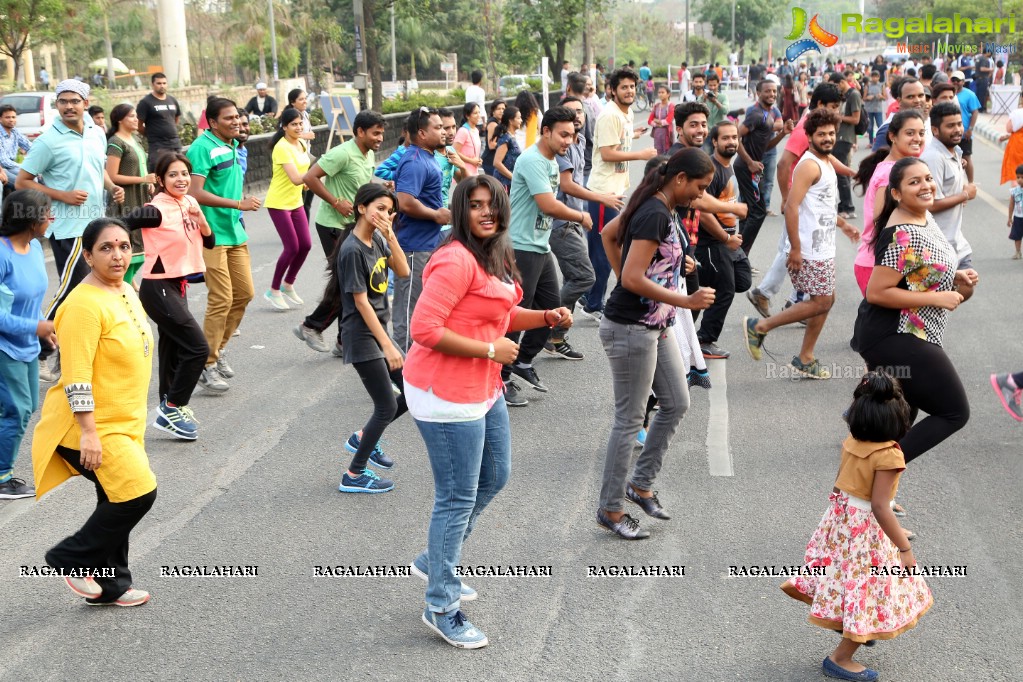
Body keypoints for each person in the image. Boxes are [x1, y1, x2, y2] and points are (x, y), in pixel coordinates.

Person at [403, 174, 573, 648]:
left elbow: (498, 316)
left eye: (493, 205)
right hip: (445, 391)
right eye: (475, 205)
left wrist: (544, 316)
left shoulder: (495, 254)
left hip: (483, 384)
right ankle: (440, 603)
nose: (485, 213)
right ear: (462, 211)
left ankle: (435, 558)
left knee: (495, 475)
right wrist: (488, 350)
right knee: (456, 498)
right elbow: (423, 328)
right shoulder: (454, 260)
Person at [31, 218, 158, 607]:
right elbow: (77, 376)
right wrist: (89, 432)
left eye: (123, 245)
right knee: (137, 494)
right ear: (87, 255)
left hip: (124, 421)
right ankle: (70, 557)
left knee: (114, 496)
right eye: (106, 248)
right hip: (86, 425)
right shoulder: (83, 305)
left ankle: (112, 586)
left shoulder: (123, 289)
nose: (117, 254)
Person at [781, 370, 932, 682]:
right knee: (871, 589)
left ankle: (850, 624)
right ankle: (840, 657)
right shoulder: (889, 454)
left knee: (847, 580)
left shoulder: (852, 441)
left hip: (843, 520)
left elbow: (841, 485)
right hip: (867, 534)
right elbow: (880, 506)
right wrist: (904, 547)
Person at [596, 148, 715, 540]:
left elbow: (609, 235)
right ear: (679, 178)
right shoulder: (654, 213)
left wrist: (645, 285)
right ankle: (611, 510)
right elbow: (631, 275)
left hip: (653, 324)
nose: (699, 195)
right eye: (698, 187)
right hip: (630, 328)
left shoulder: (658, 206)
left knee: (677, 402)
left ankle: (640, 485)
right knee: (629, 420)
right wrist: (684, 300)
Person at [851, 157, 975, 466]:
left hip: (909, 332)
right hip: (895, 333)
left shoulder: (923, 216)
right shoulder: (903, 232)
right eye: (914, 182)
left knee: (897, 422)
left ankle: (869, 492)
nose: (926, 186)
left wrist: (952, 275)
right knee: (954, 411)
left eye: (928, 178)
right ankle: (872, 475)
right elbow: (877, 292)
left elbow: (917, 269)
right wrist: (937, 298)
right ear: (896, 193)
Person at [16, 80, 125, 383]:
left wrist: (113, 186)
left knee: (91, 290)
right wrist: (61, 195)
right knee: (68, 292)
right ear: (57, 105)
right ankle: (38, 350)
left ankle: (74, 353)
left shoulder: (96, 132)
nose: (68, 106)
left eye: (74, 101)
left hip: (95, 223)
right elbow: (23, 181)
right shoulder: (48, 141)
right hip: (67, 228)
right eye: (62, 101)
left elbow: (97, 169)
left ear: (85, 103)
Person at [743, 110, 860, 379]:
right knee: (821, 301)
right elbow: (792, 207)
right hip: (809, 249)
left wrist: (843, 225)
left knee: (825, 300)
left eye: (831, 133)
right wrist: (795, 249)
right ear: (808, 137)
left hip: (823, 246)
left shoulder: (826, 160)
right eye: (821, 134)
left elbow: (822, 206)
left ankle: (806, 357)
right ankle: (760, 326)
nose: (828, 138)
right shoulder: (809, 165)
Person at [499, 106, 593, 405]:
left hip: (539, 246)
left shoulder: (552, 162)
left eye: (573, 135)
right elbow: (548, 205)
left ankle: (523, 361)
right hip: (520, 247)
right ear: (546, 131)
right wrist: (580, 217)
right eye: (563, 134)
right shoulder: (531, 160)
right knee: (517, 317)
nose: (569, 140)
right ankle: (500, 378)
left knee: (553, 310)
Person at [337, 184, 410, 493]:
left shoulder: (378, 239)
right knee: (385, 406)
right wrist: (388, 346)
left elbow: (404, 270)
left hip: (376, 332)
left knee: (411, 394)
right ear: (361, 208)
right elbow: (361, 302)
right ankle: (354, 475)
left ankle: (364, 437)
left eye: (389, 210)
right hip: (363, 336)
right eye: (379, 208)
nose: (385, 214)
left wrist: (390, 234)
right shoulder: (352, 249)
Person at [186, 97, 261, 392]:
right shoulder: (201, 148)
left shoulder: (231, 144)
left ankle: (217, 347)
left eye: (237, 118)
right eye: (228, 118)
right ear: (213, 122)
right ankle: (207, 362)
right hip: (211, 234)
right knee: (221, 298)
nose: (236, 123)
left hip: (234, 233)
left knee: (244, 294)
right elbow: (195, 193)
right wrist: (237, 204)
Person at [296, 110, 386, 354]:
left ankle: (342, 339)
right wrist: (335, 201)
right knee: (347, 283)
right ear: (360, 132)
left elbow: (359, 186)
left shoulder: (367, 154)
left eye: (381, 133)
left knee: (351, 282)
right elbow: (310, 177)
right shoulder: (342, 153)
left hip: (352, 225)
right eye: (375, 133)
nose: (379, 138)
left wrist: (379, 191)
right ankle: (312, 326)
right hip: (333, 225)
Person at [138, 153, 213, 441]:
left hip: (177, 284)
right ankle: (173, 406)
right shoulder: (154, 210)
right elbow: (118, 224)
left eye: (184, 173)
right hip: (157, 287)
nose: (180, 179)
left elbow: (209, 239)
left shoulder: (190, 203)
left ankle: (168, 406)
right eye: (172, 175)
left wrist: (200, 217)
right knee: (197, 348)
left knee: (172, 347)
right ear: (160, 180)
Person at [582, 67, 656, 320]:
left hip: (616, 190)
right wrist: (641, 154)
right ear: (612, 90)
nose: (629, 91)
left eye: (632, 87)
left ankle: (590, 295)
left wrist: (633, 135)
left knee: (610, 245)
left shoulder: (626, 114)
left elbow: (617, 142)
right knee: (604, 250)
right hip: (604, 193)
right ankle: (593, 304)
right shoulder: (610, 116)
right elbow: (607, 154)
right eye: (623, 87)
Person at [0, 190, 52, 499]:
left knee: (28, 405)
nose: (52, 219)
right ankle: (2, 475)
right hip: (5, 347)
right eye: (47, 214)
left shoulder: (32, 249)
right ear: (32, 221)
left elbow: (32, 299)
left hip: (28, 344)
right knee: (18, 409)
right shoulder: (2, 254)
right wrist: (38, 326)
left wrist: (44, 328)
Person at [392, 107, 451, 352]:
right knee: (408, 308)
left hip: (426, 244)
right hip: (413, 247)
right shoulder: (415, 161)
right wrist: (436, 214)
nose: (444, 132)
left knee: (419, 305)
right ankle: (400, 366)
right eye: (437, 128)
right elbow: (405, 201)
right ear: (421, 133)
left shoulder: (427, 156)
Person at [852, 111, 927, 296]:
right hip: (880, 266)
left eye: (921, 133)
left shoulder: (898, 168)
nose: (917, 138)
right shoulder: (890, 173)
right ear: (893, 136)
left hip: (890, 264)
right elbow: (883, 224)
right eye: (910, 133)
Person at [694, 121, 752, 359]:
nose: (731, 142)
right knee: (723, 290)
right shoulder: (713, 169)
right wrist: (725, 237)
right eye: (725, 138)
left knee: (742, 280)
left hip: (727, 242)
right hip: (712, 243)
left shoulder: (729, 166)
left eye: (734, 137)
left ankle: (684, 326)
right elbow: (703, 210)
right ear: (715, 141)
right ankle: (703, 340)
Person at [735, 79, 794, 257]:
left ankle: (740, 255)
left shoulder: (770, 114)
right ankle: (740, 254)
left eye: (774, 92)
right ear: (758, 93)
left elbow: (766, 146)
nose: (771, 95)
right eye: (767, 91)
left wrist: (783, 132)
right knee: (758, 211)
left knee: (747, 211)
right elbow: (734, 137)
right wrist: (750, 162)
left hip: (753, 168)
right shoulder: (755, 114)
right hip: (746, 168)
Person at [919, 102, 978, 270]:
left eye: (959, 124)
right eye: (950, 126)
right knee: (959, 290)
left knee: (965, 286)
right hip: (938, 245)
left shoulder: (955, 152)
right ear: (935, 130)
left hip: (956, 242)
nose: (958, 129)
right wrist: (965, 195)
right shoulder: (934, 158)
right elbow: (930, 204)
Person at [263, 108, 312, 311]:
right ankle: (273, 290)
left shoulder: (300, 143)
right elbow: (294, 178)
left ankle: (288, 284)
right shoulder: (282, 148)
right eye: (294, 124)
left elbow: (304, 172)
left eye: (300, 123)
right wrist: (313, 178)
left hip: (295, 202)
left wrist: (309, 181)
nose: (298, 127)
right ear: (284, 127)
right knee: (292, 247)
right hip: (278, 202)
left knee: (306, 245)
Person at [105, 104, 156, 285]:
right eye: (132, 116)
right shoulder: (116, 142)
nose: (136, 120)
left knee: (142, 246)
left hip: (141, 196)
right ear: (120, 119)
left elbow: (140, 166)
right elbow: (111, 176)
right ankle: (123, 287)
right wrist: (142, 179)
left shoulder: (136, 139)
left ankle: (127, 284)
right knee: (129, 244)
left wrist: (147, 182)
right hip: (125, 198)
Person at [136, 73, 182, 172]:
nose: (162, 86)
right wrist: (152, 135)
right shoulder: (145, 102)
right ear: (153, 84)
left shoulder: (172, 100)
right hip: (158, 146)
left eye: (164, 83)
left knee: (178, 171)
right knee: (160, 173)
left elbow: (176, 118)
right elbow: (139, 125)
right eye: (159, 83)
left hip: (175, 143)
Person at [870, 77, 928, 153]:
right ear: (899, 101)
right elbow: (876, 162)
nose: (917, 100)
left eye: (920, 95)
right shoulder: (888, 129)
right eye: (910, 97)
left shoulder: (925, 120)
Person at [283, 89, 317, 217]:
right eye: (301, 99)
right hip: (296, 163)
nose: (305, 102)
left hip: (306, 159)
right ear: (292, 102)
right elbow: (284, 137)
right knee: (300, 201)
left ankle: (304, 230)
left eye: (305, 98)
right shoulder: (288, 116)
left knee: (307, 201)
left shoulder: (305, 114)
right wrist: (304, 135)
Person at [834, 72, 863, 219]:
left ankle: (848, 207)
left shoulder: (854, 95)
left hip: (845, 138)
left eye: (835, 85)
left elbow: (856, 119)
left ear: (840, 82)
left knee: (841, 173)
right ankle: (844, 205)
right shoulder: (845, 96)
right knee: (841, 172)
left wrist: (838, 117)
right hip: (840, 137)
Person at [949, 71, 981, 183]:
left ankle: (971, 182)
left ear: (963, 82)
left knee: (966, 158)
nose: (955, 82)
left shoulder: (970, 95)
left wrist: (970, 130)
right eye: (953, 80)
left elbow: (975, 112)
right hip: (949, 133)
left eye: (958, 80)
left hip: (964, 133)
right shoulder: (948, 93)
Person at [0, 104, 32, 195]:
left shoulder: (14, 131)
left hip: (12, 166)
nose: (11, 120)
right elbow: (3, 161)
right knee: (26, 184)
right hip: (3, 168)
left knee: (35, 178)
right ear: (0, 118)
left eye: (13, 117)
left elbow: (30, 147)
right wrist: (24, 167)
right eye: (7, 117)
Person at [490, 105, 521, 192]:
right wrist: (513, 177)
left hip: (510, 182)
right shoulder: (506, 138)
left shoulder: (512, 136)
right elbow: (497, 163)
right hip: (504, 183)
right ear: (511, 120)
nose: (521, 121)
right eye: (518, 118)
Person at [998, 94, 1023, 185]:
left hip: (1017, 144)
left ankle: (1016, 194)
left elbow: (1009, 129)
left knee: (1015, 169)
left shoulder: (1016, 113)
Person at [452, 102, 483, 176]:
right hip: (465, 171)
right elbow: (454, 151)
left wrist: (478, 159)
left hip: (474, 171)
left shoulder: (476, 130)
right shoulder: (463, 131)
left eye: (479, 112)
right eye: (475, 113)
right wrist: (471, 161)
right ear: (467, 116)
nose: (478, 115)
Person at [480, 99, 505, 177]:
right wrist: (506, 145)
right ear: (493, 111)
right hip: (490, 160)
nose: (501, 111)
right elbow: (491, 145)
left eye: (503, 109)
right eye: (498, 109)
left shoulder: (499, 122)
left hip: (494, 159)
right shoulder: (493, 124)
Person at [649, 85, 675, 155]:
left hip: (667, 133)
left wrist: (657, 121)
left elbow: (668, 121)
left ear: (668, 94)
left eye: (662, 92)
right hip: (657, 133)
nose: (660, 94)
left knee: (668, 152)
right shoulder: (656, 106)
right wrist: (658, 123)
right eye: (659, 92)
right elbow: (649, 121)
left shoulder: (671, 106)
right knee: (658, 152)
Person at [863, 70, 886, 145]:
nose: (875, 78)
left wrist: (881, 96)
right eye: (873, 77)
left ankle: (881, 141)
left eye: (876, 77)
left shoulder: (881, 85)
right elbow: (863, 98)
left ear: (879, 77)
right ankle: (871, 142)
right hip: (869, 109)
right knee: (870, 127)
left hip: (878, 109)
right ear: (871, 77)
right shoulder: (867, 86)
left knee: (880, 125)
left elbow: (885, 97)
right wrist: (868, 97)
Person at [1008, 164, 1023, 259]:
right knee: (1017, 236)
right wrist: (1010, 217)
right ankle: (1018, 251)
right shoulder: (1014, 191)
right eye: (1018, 177)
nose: (1020, 179)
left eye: (1022, 177)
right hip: (1018, 217)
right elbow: (1011, 204)